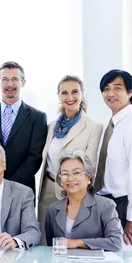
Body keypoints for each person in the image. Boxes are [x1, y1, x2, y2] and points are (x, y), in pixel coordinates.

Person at [37, 75, 103, 244]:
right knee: (45, 241)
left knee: (69, 242)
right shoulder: (52, 126)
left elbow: (90, 167)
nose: (70, 97)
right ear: (59, 96)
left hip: (75, 191)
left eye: (75, 92)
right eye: (64, 93)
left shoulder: (93, 127)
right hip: (48, 189)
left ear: (82, 94)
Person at [0, 61, 47, 194]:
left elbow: (35, 157)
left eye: (15, 79)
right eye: (5, 79)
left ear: (23, 83)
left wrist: (9, 185)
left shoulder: (37, 117)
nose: (10, 84)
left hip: (22, 191)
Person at [94, 69, 132, 248]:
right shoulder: (108, 125)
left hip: (123, 204)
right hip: (104, 203)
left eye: (117, 88)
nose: (110, 93)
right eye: (106, 88)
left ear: (130, 92)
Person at [45, 150, 123, 251]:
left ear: (88, 176)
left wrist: (78, 243)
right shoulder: (52, 210)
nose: (70, 178)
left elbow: (116, 242)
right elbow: (50, 248)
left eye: (76, 172)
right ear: (60, 179)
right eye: (65, 174)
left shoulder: (105, 205)